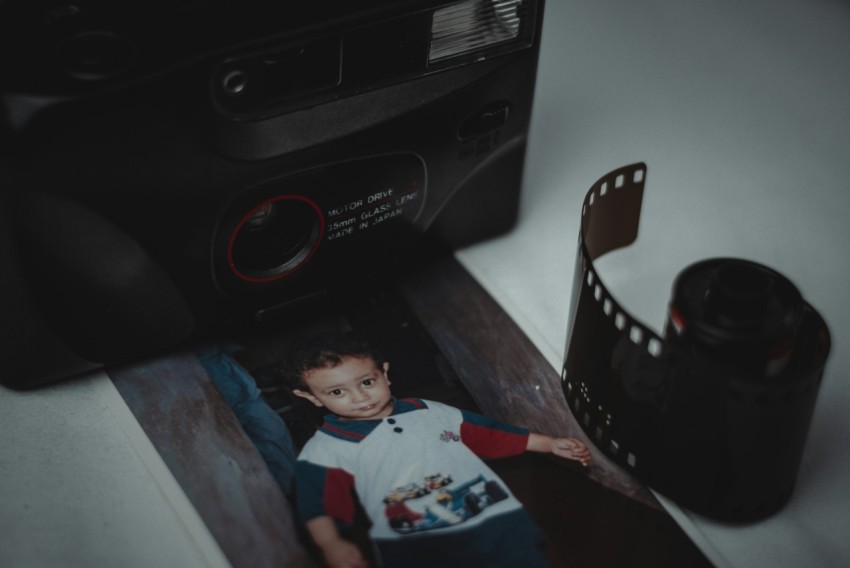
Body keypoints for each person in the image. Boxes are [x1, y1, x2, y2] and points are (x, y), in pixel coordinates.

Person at [286, 333, 591, 568]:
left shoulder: (429, 411)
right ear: (311, 397)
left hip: (496, 522)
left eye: (367, 382)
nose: (359, 397)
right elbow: (318, 505)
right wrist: (331, 544)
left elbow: (490, 435)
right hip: (417, 546)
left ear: (385, 373)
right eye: (337, 392)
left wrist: (548, 444)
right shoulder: (326, 449)